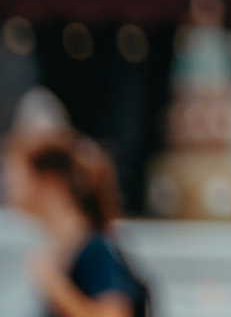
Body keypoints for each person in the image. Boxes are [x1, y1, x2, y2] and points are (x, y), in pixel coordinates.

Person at [5, 126, 153, 317]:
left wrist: (56, 285)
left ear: (49, 180)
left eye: (16, 176)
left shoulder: (94, 249)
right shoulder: (65, 248)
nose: (8, 186)